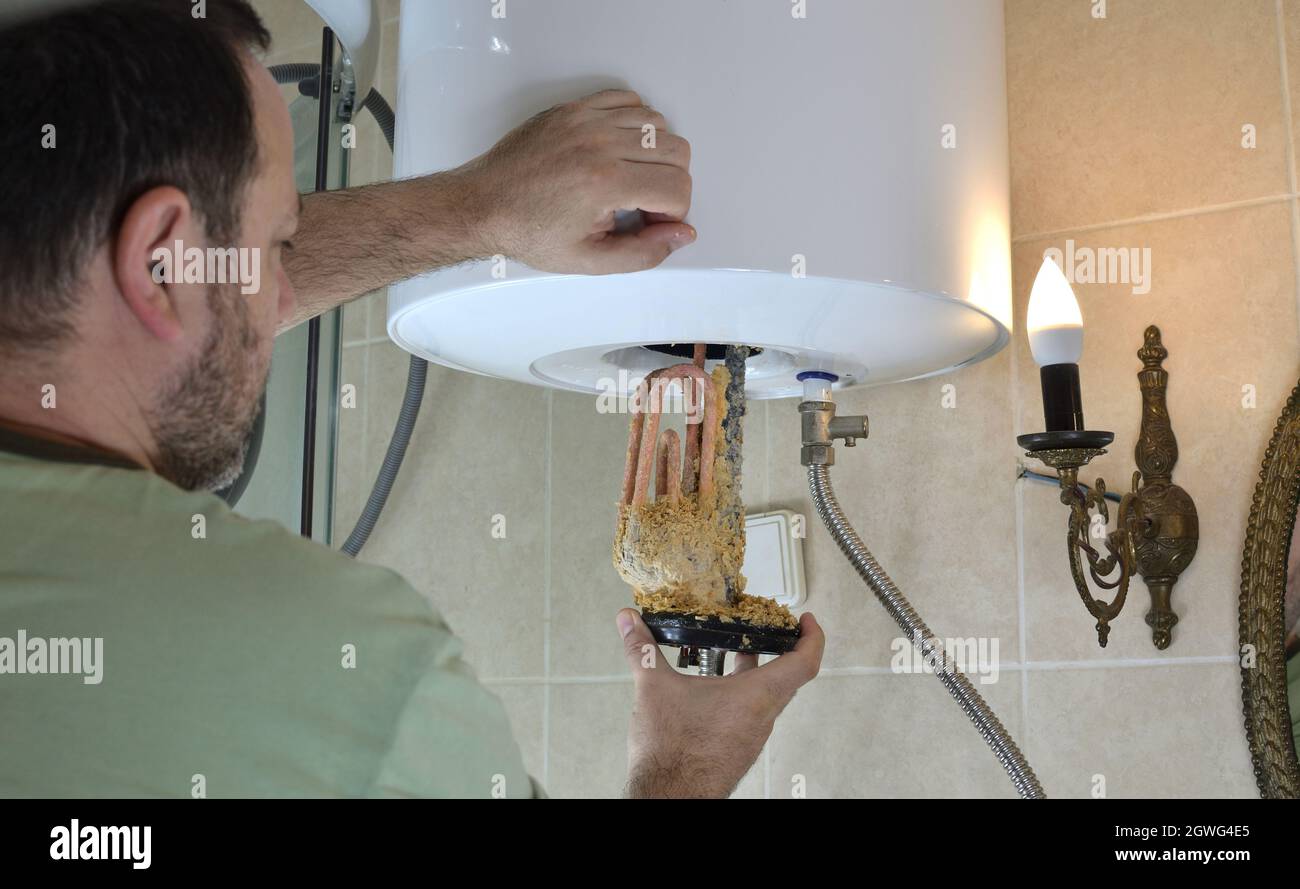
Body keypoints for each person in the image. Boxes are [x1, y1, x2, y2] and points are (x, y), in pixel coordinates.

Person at [0, 0, 823, 798]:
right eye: (281, 244)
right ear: (161, 260)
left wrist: (480, 205)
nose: (286, 306)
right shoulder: (336, 671)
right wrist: (683, 768)